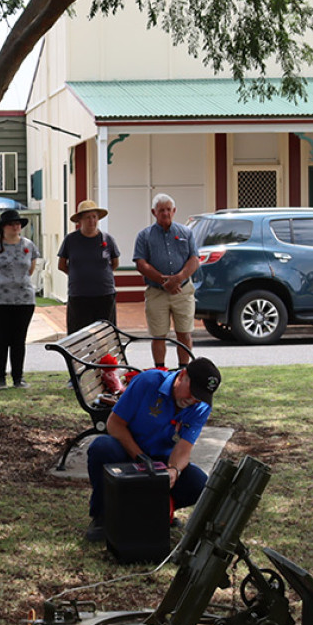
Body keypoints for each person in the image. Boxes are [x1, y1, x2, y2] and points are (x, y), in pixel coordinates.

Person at [84, 357, 221, 543]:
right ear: (182, 376)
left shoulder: (200, 407)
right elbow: (114, 424)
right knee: (102, 448)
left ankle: (154, 511)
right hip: (127, 450)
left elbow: (183, 448)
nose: (193, 400)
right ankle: (102, 516)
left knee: (198, 483)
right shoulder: (148, 381)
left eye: (200, 396)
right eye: (193, 392)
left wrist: (174, 470)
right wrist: (139, 457)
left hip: (160, 461)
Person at [133, 193, 199, 369]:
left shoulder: (186, 233)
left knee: (184, 333)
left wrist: (178, 278)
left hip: (182, 291)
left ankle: (183, 370)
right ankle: (160, 369)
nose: (165, 213)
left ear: (174, 211)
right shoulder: (144, 236)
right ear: (154, 212)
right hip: (156, 292)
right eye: (161, 210)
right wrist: (163, 280)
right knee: (158, 335)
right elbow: (141, 263)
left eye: (169, 210)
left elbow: (194, 259)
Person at [0, 208, 40, 389]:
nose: (16, 226)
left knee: (19, 340)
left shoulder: (29, 246)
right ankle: (0, 378)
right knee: (0, 339)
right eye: (12, 224)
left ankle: (18, 378)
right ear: (3, 227)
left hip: (23, 300)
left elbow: (30, 269)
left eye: (18, 223)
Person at [58, 200, 122, 333]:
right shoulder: (71, 240)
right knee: (79, 334)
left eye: (94, 217)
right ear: (80, 220)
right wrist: (78, 274)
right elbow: (62, 265)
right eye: (87, 217)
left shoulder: (107, 239)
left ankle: (104, 355)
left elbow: (115, 263)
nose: (91, 220)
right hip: (79, 295)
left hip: (104, 294)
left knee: (105, 334)